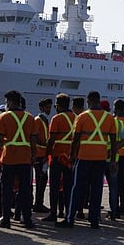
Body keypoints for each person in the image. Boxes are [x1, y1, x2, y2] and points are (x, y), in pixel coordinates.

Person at [57, 91, 117, 229]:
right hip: (101, 158)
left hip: (84, 157)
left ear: (88, 101)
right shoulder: (109, 118)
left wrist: (72, 156)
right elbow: (113, 142)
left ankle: (70, 219)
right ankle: (94, 220)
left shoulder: (82, 117)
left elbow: (75, 140)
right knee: (97, 188)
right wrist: (113, 161)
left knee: (77, 187)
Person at [0, 90, 38, 229]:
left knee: (6, 189)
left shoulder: (3, 117)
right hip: (25, 157)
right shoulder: (30, 118)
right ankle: (27, 219)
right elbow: (33, 140)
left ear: (11, 102)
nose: (6, 105)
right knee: (25, 189)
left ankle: (6, 219)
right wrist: (33, 156)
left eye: (6, 102)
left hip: (9, 157)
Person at [43, 93, 75, 222]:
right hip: (70, 157)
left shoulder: (56, 119)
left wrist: (46, 155)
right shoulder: (76, 117)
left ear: (59, 105)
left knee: (54, 186)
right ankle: (68, 213)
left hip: (57, 157)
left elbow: (51, 140)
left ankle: (53, 213)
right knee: (68, 186)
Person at [33, 98, 52, 213]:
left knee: (43, 179)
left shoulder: (45, 120)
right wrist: (46, 144)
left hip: (43, 154)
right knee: (41, 179)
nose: (49, 110)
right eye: (47, 107)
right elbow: (35, 137)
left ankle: (39, 202)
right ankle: (38, 203)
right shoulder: (38, 120)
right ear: (41, 108)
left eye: (50, 107)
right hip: (39, 154)